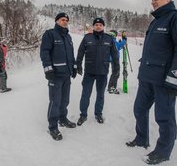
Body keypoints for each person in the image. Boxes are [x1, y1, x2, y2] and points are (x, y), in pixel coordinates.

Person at [126, 0, 177, 165]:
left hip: (164, 80)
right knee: (139, 110)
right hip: (146, 77)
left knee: (164, 117)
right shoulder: (156, 21)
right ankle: (142, 139)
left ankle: (163, 151)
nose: (153, 1)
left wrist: (174, 78)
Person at [40, 12, 77, 141]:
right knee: (55, 101)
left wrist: (74, 67)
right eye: (62, 19)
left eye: (67, 20)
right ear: (56, 21)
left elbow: (71, 55)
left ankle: (62, 119)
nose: (65, 21)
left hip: (66, 75)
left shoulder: (68, 37)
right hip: (55, 75)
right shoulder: (50, 34)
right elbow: (44, 53)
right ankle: (53, 126)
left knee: (65, 100)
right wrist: (48, 69)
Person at [76, 18, 119, 125]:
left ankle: (98, 114)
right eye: (96, 25)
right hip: (89, 72)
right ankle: (83, 115)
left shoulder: (109, 39)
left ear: (103, 26)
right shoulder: (87, 38)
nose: (98, 26)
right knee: (85, 94)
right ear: (93, 26)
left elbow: (114, 54)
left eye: (100, 25)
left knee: (100, 95)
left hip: (103, 72)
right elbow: (80, 52)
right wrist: (78, 64)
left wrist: (116, 68)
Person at [107, 29, 127, 94]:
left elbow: (117, 47)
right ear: (114, 35)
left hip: (112, 58)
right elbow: (119, 46)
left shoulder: (110, 40)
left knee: (114, 73)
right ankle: (111, 87)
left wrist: (120, 42)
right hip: (114, 59)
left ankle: (111, 87)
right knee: (116, 73)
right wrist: (124, 39)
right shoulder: (113, 41)